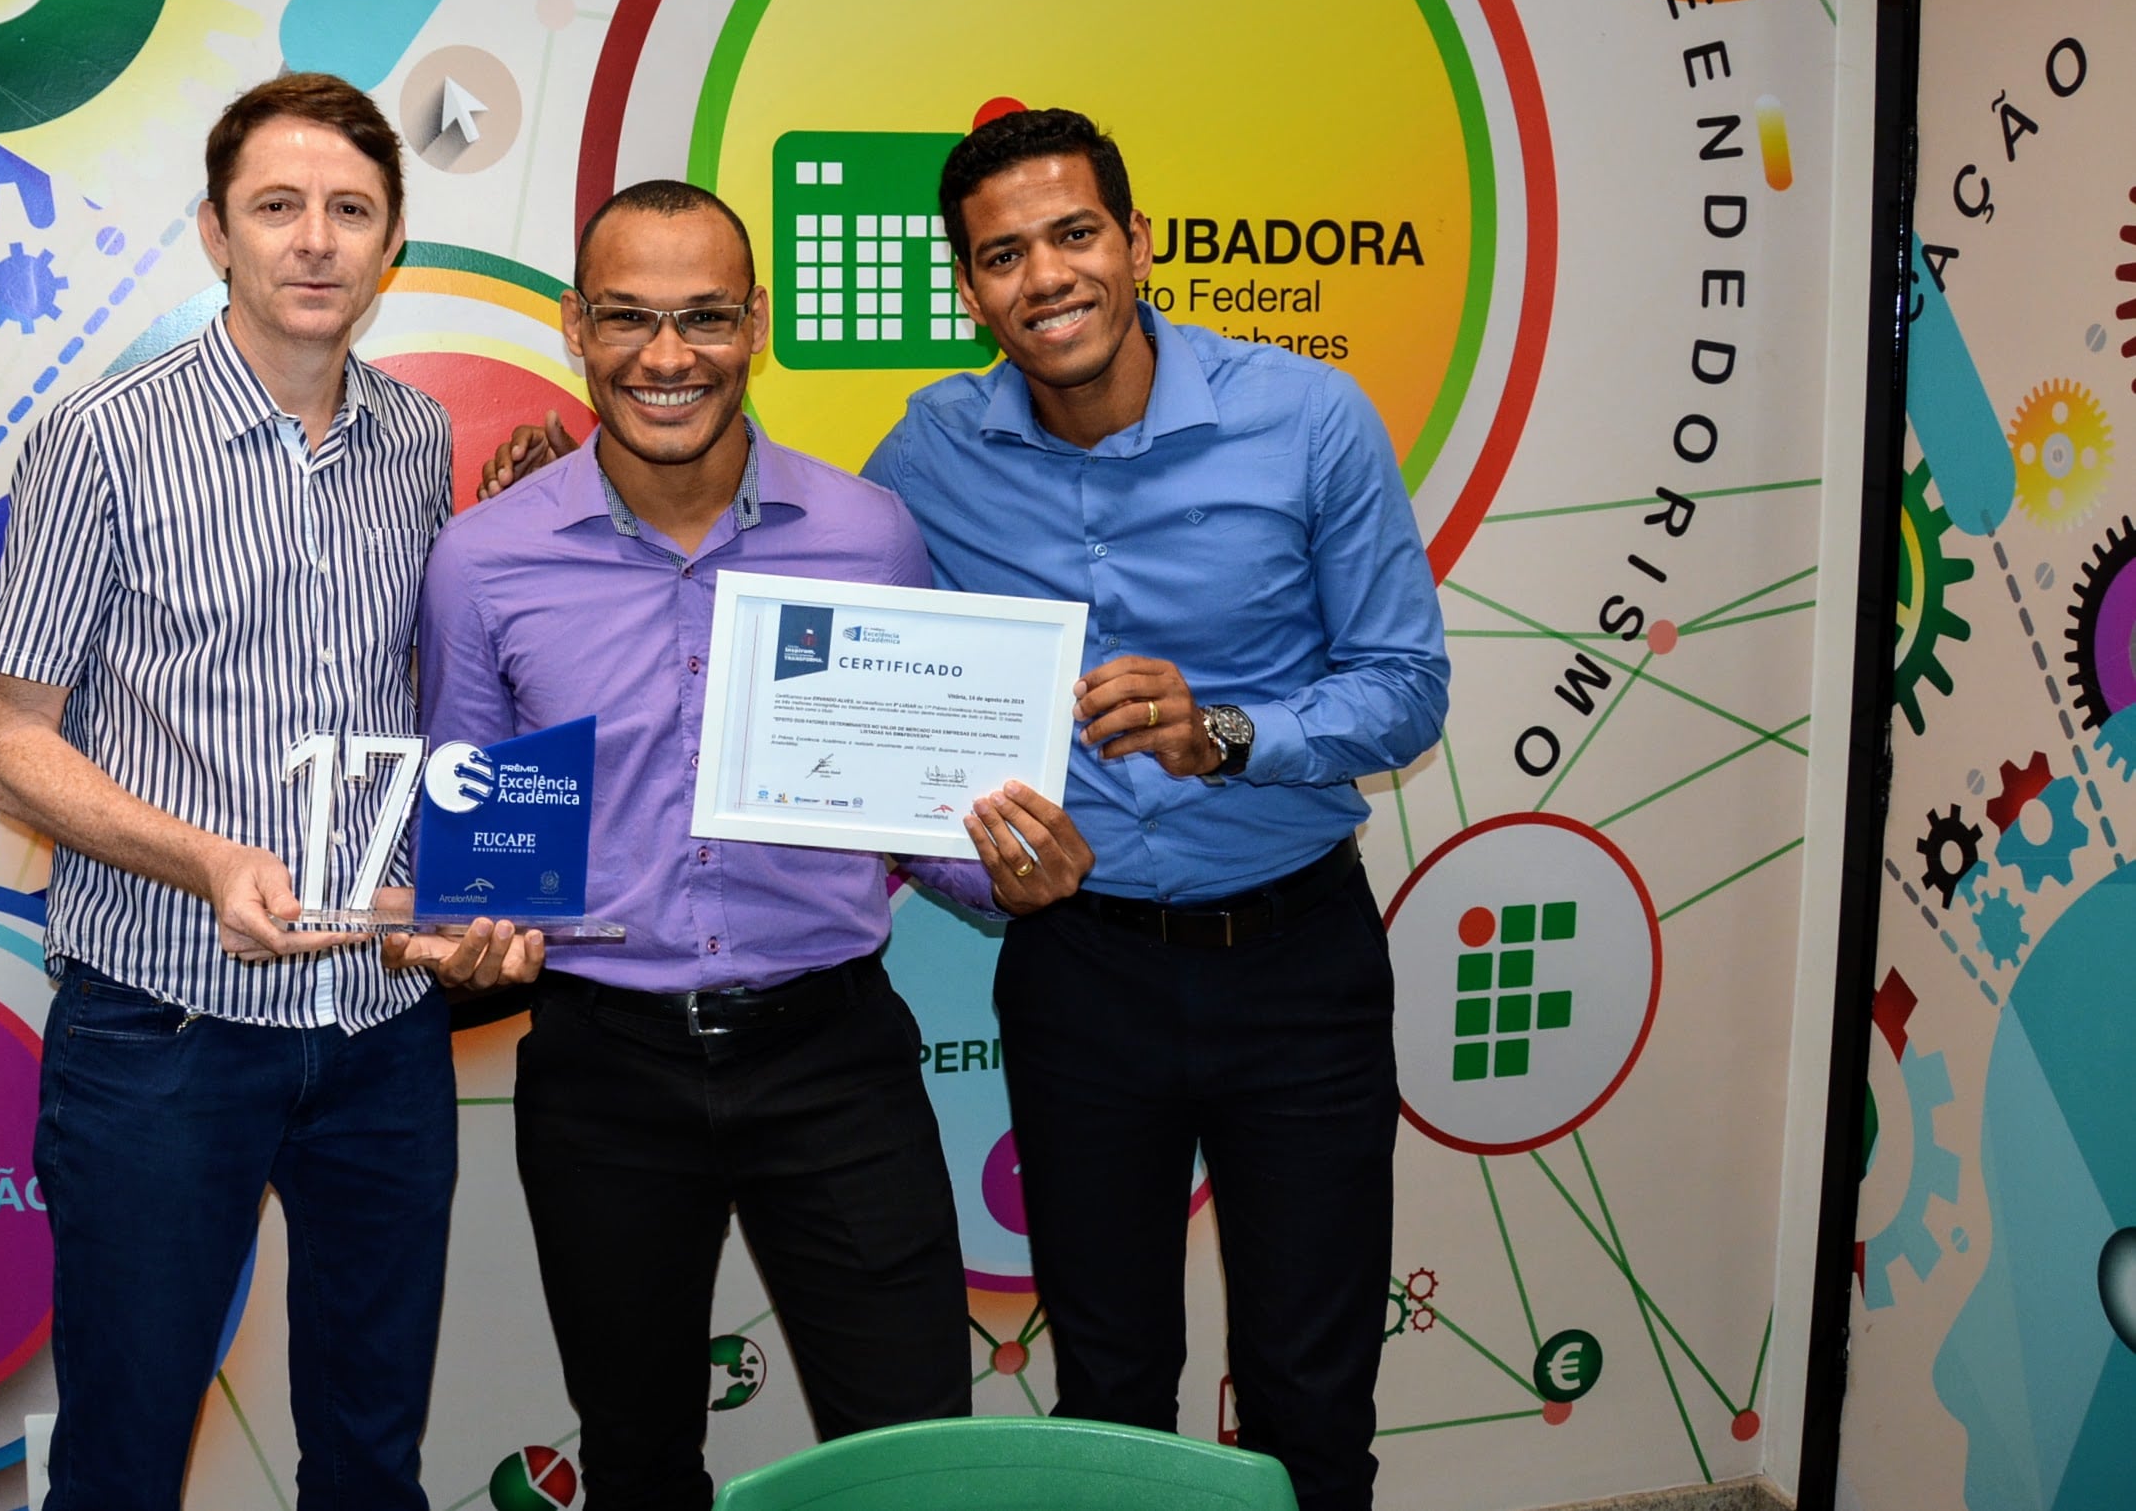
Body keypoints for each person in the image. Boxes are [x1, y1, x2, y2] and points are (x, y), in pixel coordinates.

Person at [422, 179, 1093, 1511]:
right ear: (576, 327)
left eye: (705, 317)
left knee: (912, 1464)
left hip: (832, 1057)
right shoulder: (483, 561)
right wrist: (463, 937)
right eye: (628, 317)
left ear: (758, 325)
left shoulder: (868, 534)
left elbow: (913, 818)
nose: (666, 356)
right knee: (638, 1462)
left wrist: (1011, 874)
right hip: (604, 1069)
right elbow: (477, 859)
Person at [862, 108, 1450, 1511]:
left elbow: (1407, 686)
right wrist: (974, 871)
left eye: (1074, 234)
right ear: (970, 287)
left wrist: (1229, 733)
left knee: (1311, 1392)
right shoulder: (930, 451)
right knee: (1110, 1394)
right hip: (1084, 974)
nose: (1045, 276)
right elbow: (858, 687)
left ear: (1135, 243)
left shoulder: (1307, 417)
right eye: (1003, 253)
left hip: (1299, 966)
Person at [0, 71, 540, 1511]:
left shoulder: (415, 439)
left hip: (380, 1028)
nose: (315, 240)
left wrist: (467, 891)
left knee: (371, 1455)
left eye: (351, 209)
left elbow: (419, 709)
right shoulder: (103, 438)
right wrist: (207, 860)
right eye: (278, 206)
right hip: (164, 1029)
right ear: (217, 233)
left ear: (392, 242)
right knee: (123, 1460)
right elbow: (9, 741)